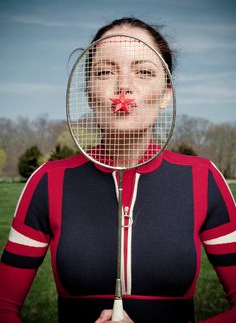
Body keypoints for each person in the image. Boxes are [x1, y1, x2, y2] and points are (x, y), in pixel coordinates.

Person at [0, 17, 236, 323]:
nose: (123, 85)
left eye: (144, 71)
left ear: (166, 95)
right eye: (104, 71)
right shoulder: (48, 181)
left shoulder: (203, 178)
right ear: (87, 92)